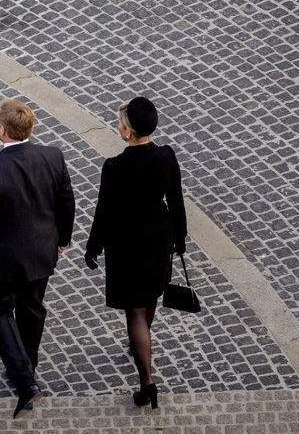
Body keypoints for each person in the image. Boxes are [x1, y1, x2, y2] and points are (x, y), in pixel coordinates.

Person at [0, 99, 75, 418]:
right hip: (41, 255)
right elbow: (67, 201)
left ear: (1, 130)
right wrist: (62, 240)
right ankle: (28, 362)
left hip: (2, 261)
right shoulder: (53, 157)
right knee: (32, 309)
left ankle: (25, 380)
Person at [83, 97, 187, 410]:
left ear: (128, 133)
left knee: (134, 311)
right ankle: (141, 344)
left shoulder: (115, 167)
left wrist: (93, 247)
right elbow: (177, 201)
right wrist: (179, 239)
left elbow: (104, 211)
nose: (118, 127)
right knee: (150, 298)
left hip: (126, 242)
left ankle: (147, 383)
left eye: (120, 124)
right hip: (158, 237)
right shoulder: (166, 156)